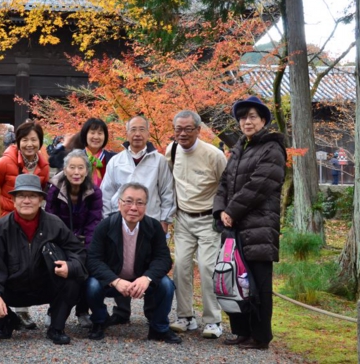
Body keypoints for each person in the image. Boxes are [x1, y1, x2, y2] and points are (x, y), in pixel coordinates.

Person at [0, 174, 87, 345]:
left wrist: (70, 266)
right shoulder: (0, 228)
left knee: (73, 280)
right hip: (13, 287)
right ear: (13, 200)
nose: (27, 201)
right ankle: (6, 323)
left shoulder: (55, 224)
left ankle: (56, 328)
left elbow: (78, 252)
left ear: (41, 200)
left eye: (32, 196)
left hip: (46, 285)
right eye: (21, 196)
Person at [213, 96, 286, 350]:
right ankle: (241, 331)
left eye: (252, 117)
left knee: (259, 284)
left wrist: (232, 210)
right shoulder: (239, 148)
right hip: (234, 227)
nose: (247, 122)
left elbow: (260, 185)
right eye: (243, 117)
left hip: (259, 227)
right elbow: (224, 182)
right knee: (235, 279)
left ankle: (260, 336)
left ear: (263, 120)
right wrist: (221, 210)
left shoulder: (272, 148)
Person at [99, 115, 175, 325]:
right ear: (127, 133)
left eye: (142, 129)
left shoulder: (159, 161)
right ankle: (122, 311)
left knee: (148, 264)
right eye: (133, 129)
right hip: (119, 221)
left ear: (148, 133)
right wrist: (107, 220)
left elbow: (167, 191)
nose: (137, 134)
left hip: (151, 222)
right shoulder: (116, 161)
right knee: (121, 262)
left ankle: (152, 314)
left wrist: (165, 220)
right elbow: (106, 192)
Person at [86, 182, 181, 344]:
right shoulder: (105, 226)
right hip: (113, 280)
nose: (134, 208)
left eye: (140, 203)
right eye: (128, 201)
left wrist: (147, 278)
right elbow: (93, 260)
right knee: (92, 285)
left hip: (141, 280)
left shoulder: (153, 227)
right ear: (119, 203)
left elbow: (163, 259)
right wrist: (115, 280)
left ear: (146, 206)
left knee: (166, 285)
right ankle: (99, 321)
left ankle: (159, 328)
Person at [166, 111, 227, 339]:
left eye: (188, 129)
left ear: (198, 130)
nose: (182, 133)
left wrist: (224, 214)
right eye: (178, 129)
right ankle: (185, 316)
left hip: (208, 219)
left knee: (207, 267)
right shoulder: (172, 151)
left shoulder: (214, 155)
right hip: (183, 218)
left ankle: (213, 320)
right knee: (181, 266)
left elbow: (226, 186)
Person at [0, 121, 50, 328]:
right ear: (17, 141)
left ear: (40, 142)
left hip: (29, 219)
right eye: (25, 139)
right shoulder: (4, 163)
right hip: (5, 219)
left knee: (26, 261)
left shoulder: (44, 166)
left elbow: (41, 193)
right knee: (5, 263)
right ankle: (3, 309)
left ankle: (22, 311)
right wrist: (7, 209)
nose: (29, 144)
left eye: (34, 140)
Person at [45, 149, 102, 328]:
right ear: (64, 169)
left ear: (86, 171)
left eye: (80, 168)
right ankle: (53, 310)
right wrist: (61, 245)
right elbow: (50, 219)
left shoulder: (94, 192)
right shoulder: (55, 189)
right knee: (58, 270)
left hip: (84, 239)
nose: (76, 172)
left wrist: (87, 249)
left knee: (86, 268)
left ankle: (83, 311)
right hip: (61, 240)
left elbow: (94, 222)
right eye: (72, 167)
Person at [80, 118, 117, 187]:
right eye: (92, 133)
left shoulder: (114, 159)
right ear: (85, 134)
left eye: (100, 133)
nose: (96, 137)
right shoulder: (76, 157)